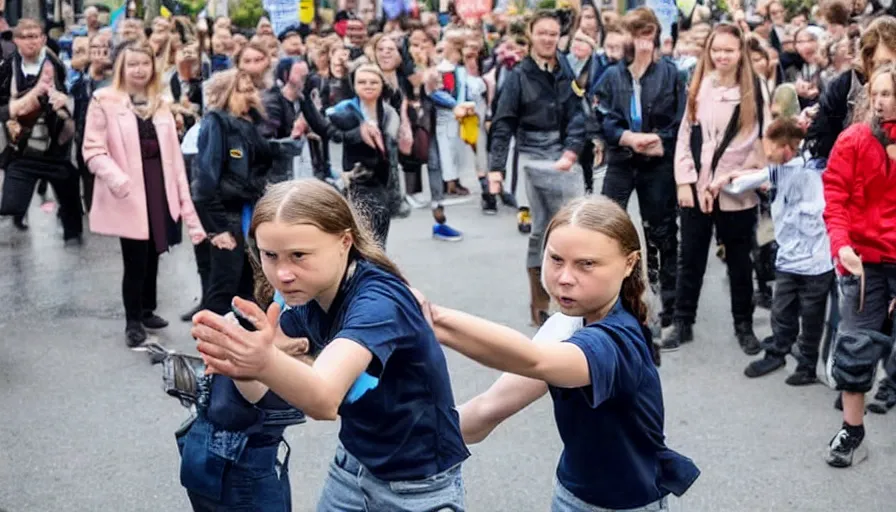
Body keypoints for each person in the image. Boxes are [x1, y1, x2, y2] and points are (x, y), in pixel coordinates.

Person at [191, 179, 469, 511]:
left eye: (299, 255)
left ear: (345, 241)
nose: (283, 274)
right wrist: (240, 366)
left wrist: (263, 361)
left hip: (419, 487)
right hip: (351, 466)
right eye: (270, 255)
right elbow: (272, 398)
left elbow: (323, 399)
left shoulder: (377, 301)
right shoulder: (305, 296)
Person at [415, 196, 699, 511]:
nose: (564, 277)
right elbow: (487, 409)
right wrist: (402, 437)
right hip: (569, 495)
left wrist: (432, 320)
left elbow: (534, 360)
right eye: (556, 259)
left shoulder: (618, 343)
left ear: (629, 263)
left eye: (586, 264)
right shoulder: (567, 323)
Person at [82, 40, 206, 348]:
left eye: (145, 64)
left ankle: (147, 308)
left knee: (155, 250)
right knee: (135, 256)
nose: (139, 70)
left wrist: (181, 191)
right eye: (133, 64)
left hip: (158, 184)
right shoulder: (103, 99)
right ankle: (132, 320)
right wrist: (117, 180)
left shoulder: (160, 102)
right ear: (122, 66)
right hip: (129, 188)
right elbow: (93, 149)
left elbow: (173, 154)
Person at [710, 117, 834, 385]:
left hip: (816, 262)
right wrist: (724, 181)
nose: (766, 153)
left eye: (772, 148)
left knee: (812, 317)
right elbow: (754, 178)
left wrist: (730, 180)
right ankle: (779, 350)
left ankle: (807, 365)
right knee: (782, 310)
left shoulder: (811, 170)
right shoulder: (782, 168)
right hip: (789, 260)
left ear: (787, 149)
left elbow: (761, 178)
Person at [822, 63, 896, 467]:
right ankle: (852, 431)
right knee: (853, 350)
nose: (881, 102)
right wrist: (841, 245)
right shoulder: (852, 140)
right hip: (865, 264)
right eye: (877, 93)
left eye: (889, 94)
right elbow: (835, 199)